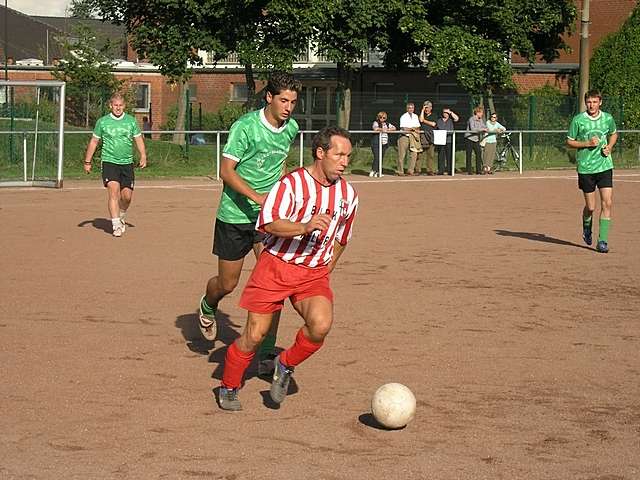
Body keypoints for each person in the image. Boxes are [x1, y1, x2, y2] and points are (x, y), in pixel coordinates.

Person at [217, 126, 359, 411]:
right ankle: (229, 386)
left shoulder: (348, 195)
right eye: (339, 155)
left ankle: (285, 364)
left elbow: (342, 238)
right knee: (254, 336)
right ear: (320, 153)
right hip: (275, 267)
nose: (345, 162)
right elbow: (268, 223)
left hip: (312, 274)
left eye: (348, 156)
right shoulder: (291, 184)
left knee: (320, 326)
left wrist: (325, 268)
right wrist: (303, 227)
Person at [197, 72, 302, 377]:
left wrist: (278, 194)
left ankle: (267, 352)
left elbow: (279, 162)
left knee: (274, 284)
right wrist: (257, 196)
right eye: (284, 100)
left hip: (266, 220)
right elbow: (226, 171)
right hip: (233, 215)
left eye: (293, 102)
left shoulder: (291, 128)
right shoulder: (245, 127)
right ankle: (207, 304)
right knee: (227, 284)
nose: (289, 107)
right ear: (269, 97)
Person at [83, 93, 147, 237]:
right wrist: (88, 161)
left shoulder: (131, 121)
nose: (118, 108)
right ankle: (116, 225)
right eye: (115, 105)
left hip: (127, 163)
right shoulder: (103, 122)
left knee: (127, 197)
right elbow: (94, 141)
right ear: (110, 106)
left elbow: (138, 139)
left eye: (120, 105)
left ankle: (121, 214)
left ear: (124, 106)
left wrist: (143, 155)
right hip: (109, 161)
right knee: (113, 191)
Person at [566, 90, 618, 253]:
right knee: (591, 207)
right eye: (589, 102)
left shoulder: (608, 118)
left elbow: (614, 134)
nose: (592, 105)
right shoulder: (578, 120)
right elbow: (569, 141)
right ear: (585, 103)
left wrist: (609, 147)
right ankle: (587, 227)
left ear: (600, 102)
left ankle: (602, 241)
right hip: (586, 168)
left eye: (595, 102)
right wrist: (587, 143)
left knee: (607, 203)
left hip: (605, 166)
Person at [397, 102, 422, 176]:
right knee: (401, 155)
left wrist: (412, 129)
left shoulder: (415, 116)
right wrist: (412, 129)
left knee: (414, 154)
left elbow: (418, 127)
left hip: (413, 136)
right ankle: (400, 171)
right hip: (404, 136)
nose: (411, 109)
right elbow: (404, 128)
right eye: (409, 108)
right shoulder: (403, 116)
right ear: (407, 109)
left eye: (412, 108)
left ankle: (410, 170)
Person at [369, 111, 396, 177]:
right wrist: (382, 129)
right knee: (377, 157)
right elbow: (375, 128)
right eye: (380, 117)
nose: (382, 119)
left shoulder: (387, 124)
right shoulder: (375, 122)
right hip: (376, 143)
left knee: (381, 157)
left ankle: (378, 172)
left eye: (384, 118)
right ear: (378, 117)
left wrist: (388, 130)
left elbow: (394, 128)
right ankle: (373, 170)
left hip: (384, 143)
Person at [435, 107, 459, 175]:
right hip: (441, 140)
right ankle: (441, 170)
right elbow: (439, 128)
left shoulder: (451, 120)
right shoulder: (439, 120)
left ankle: (450, 170)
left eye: (447, 113)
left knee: (449, 156)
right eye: (444, 113)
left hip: (449, 140)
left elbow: (457, 118)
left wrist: (450, 112)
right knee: (441, 156)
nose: (445, 114)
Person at [464, 105, 488, 175]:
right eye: (481, 113)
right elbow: (473, 129)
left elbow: (484, 127)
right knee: (469, 154)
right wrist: (482, 129)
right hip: (469, 138)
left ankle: (479, 170)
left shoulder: (481, 120)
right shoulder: (471, 119)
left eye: (482, 113)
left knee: (478, 153)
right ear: (477, 112)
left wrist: (485, 129)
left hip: (476, 139)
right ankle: (469, 170)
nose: (482, 114)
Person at [418, 100, 437, 175]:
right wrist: (422, 110)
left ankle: (430, 170)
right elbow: (420, 120)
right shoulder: (422, 114)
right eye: (425, 108)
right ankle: (418, 170)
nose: (426, 109)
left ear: (431, 108)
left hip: (431, 137)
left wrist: (424, 121)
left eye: (428, 108)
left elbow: (433, 124)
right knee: (420, 155)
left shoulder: (434, 115)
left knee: (430, 155)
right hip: (422, 137)